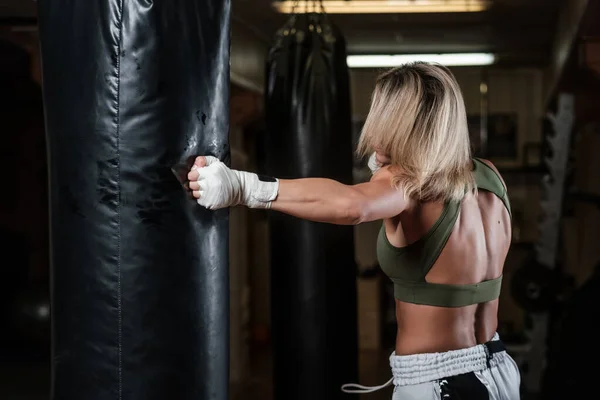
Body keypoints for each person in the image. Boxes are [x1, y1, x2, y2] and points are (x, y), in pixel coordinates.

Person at [186, 62, 521, 399]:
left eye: (385, 121)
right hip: (499, 369)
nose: (375, 134)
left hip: (439, 382)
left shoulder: (407, 184)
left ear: (406, 126)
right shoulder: (490, 177)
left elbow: (352, 205)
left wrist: (244, 187)